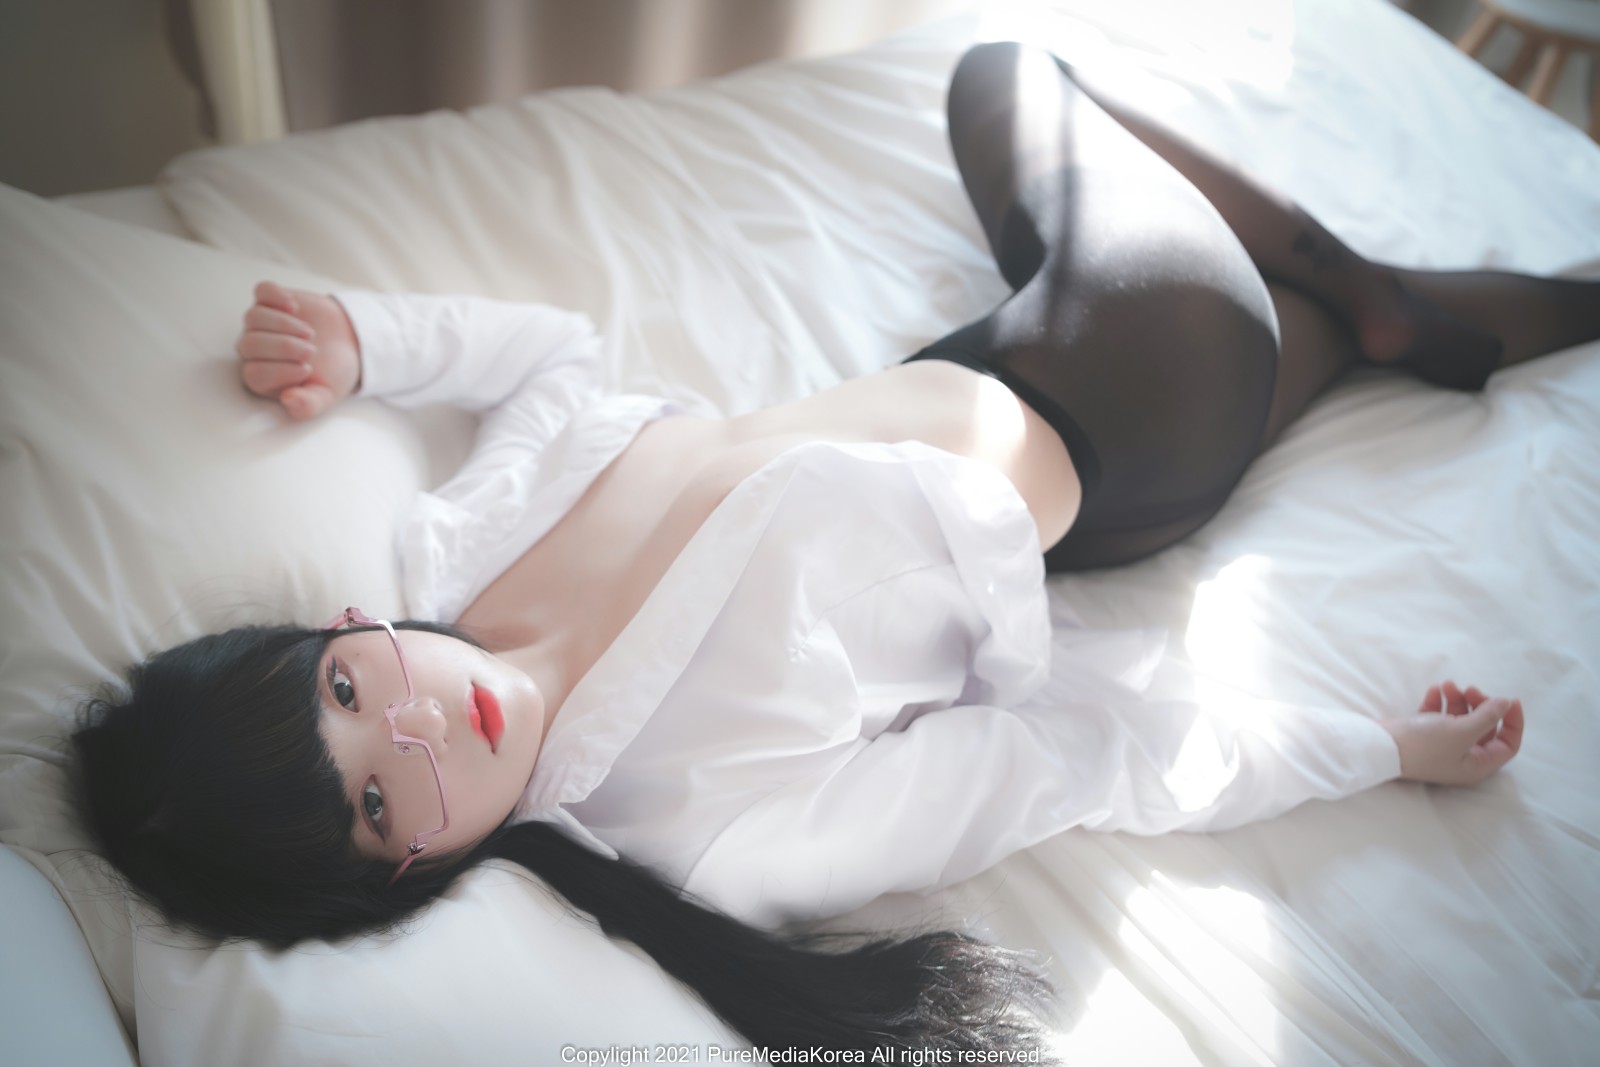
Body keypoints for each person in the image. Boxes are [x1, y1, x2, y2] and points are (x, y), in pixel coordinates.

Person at [72, 42, 1589, 1053]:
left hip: (970, 358)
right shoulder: (706, 830)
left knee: (995, 73)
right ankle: (1366, 304)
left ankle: (1372, 311)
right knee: (1073, 136)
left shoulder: (458, 548)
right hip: (1134, 408)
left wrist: (370, 343)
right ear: (412, 876)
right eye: (378, 800)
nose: (412, 729)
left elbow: (553, 357)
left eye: (344, 694)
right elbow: (1065, 758)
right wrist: (1377, 749)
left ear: (338, 630)